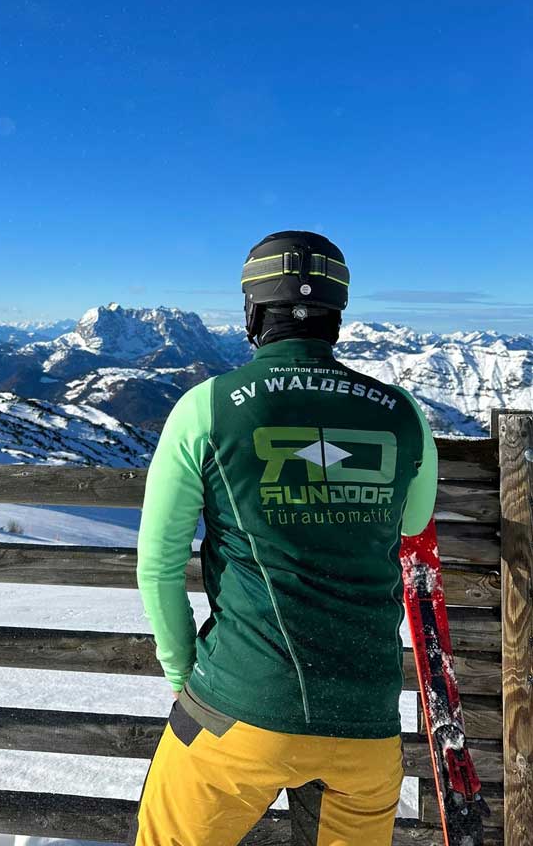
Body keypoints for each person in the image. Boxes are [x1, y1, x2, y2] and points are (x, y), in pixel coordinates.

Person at [129, 231, 438, 846]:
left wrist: (188, 677)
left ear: (251, 312)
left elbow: (158, 568)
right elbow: (411, 525)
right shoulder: (404, 415)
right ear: (337, 316)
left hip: (236, 705)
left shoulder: (205, 407)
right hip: (365, 721)